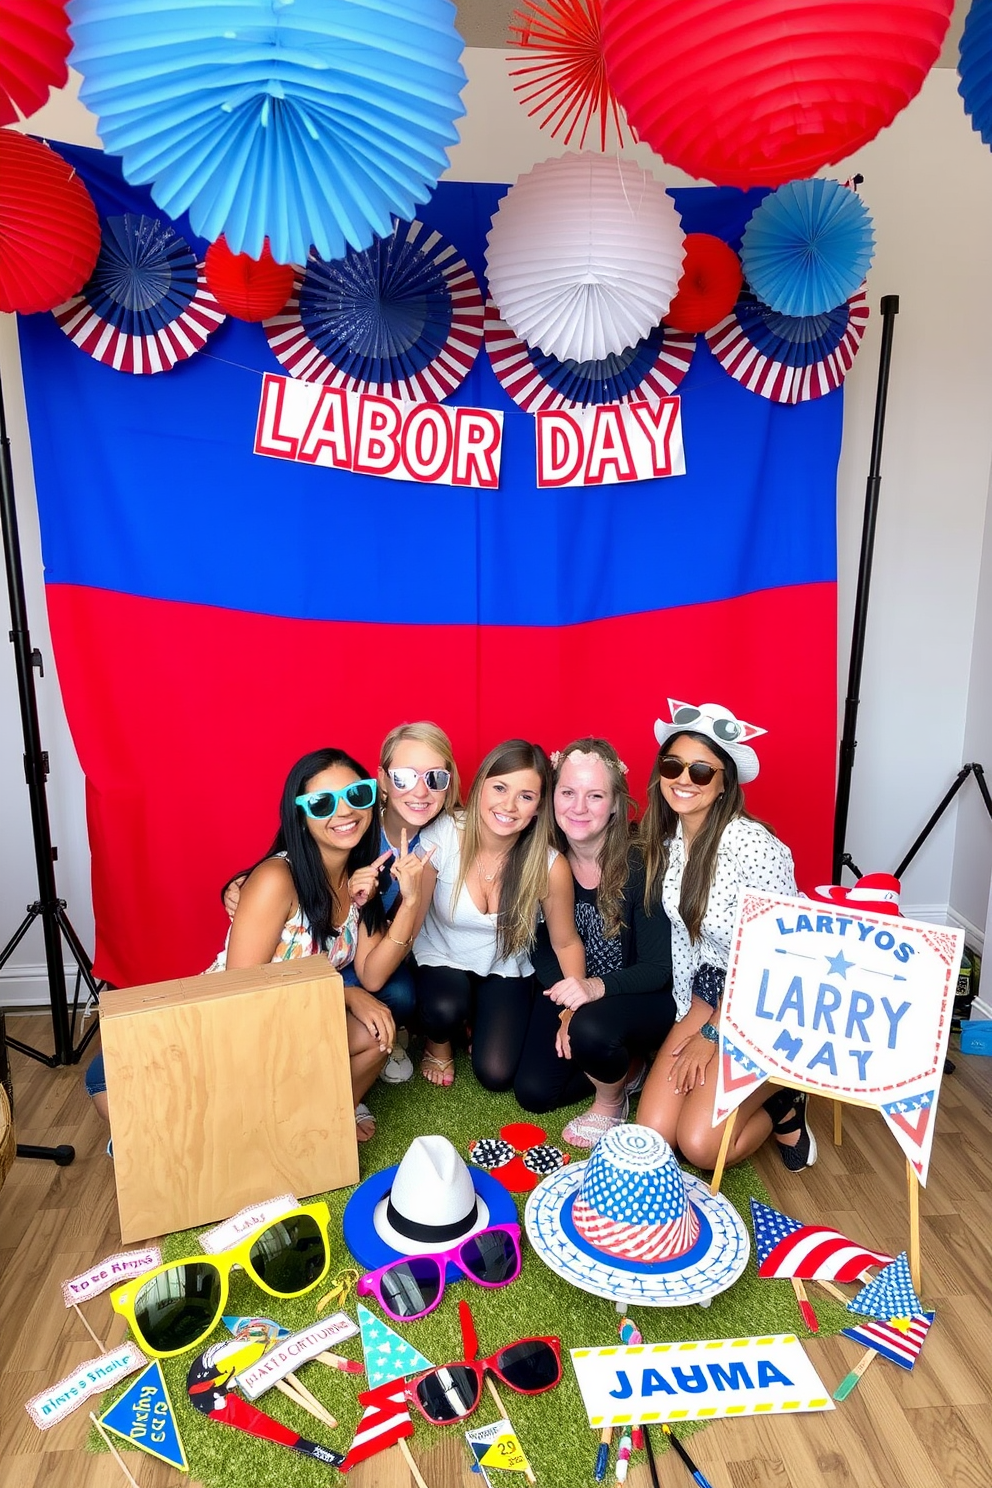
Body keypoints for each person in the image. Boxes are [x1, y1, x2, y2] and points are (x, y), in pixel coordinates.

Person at [216, 747, 435, 1140]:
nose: (345, 811)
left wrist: (411, 901)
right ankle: (280, 1117)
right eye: (321, 803)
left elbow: (373, 974)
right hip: (242, 1027)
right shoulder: (275, 879)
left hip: (299, 1019)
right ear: (300, 817)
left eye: (356, 795)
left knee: (377, 1031)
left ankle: (323, 1122)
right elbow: (240, 993)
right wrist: (344, 996)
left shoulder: (359, 877)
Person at [635, 700, 816, 1171]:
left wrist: (712, 1035)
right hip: (711, 991)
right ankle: (739, 1087)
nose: (683, 779)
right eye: (673, 765)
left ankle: (783, 1101)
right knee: (654, 1135)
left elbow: (783, 953)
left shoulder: (752, 845)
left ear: (723, 784)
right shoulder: (671, 840)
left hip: (766, 1002)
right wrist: (687, 1020)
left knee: (698, 1145)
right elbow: (687, 940)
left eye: (700, 770)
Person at [512, 739, 676, 1146]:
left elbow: (658, 970)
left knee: (591, 1030)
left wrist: (591, 991)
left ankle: (611, 1099)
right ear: (553, 799)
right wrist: (570, 1003)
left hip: (641, 995)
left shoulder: (642, 862)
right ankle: (629, 1068)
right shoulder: (545, 861)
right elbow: (541, 946)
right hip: (575, 988)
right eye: (568, 792)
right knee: (533, 1093)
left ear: (616, 804)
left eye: (595, 795)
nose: (579, 807)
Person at [414, 738, 585, 1090]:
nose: (509, 805)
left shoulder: (550, 865)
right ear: (479, 788)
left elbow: (566, 942)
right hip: (441, 958)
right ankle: (440, 1037)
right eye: (500, 788)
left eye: (526, 796)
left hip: (504, 967)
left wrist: (572, 1010)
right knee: (445, 1007)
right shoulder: (444, 835)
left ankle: (475, 1017)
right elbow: (410, 921)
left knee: (496, 1073)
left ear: (539, 807)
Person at [371, 722, 462, 1081]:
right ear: (382, 779)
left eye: (435, 778)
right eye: (405, 778)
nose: (421, 791)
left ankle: (401, 1029)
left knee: (402, 995)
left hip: (416, 960)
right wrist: (242, 882)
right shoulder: (356, 829)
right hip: (352, 956)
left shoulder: (454, 833)